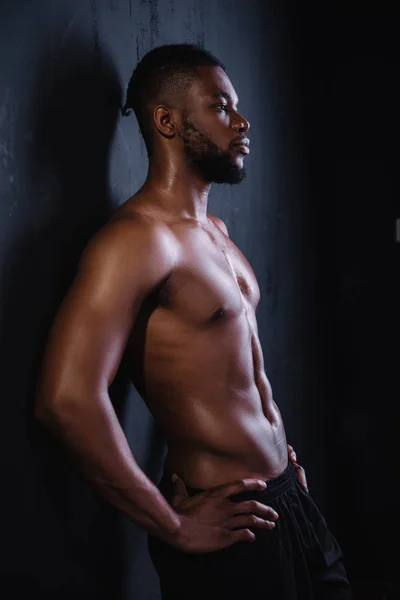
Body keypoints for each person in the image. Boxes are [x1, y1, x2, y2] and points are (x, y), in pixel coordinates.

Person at [35, 44, 352, 599]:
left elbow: (228, 368)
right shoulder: (136, 241)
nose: (242, 120)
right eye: (221, 106)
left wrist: (282, 460)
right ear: (167, 120)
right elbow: (66, 398)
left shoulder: (216, 232)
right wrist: (173, 523)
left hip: (286, 498)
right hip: (228, 523)